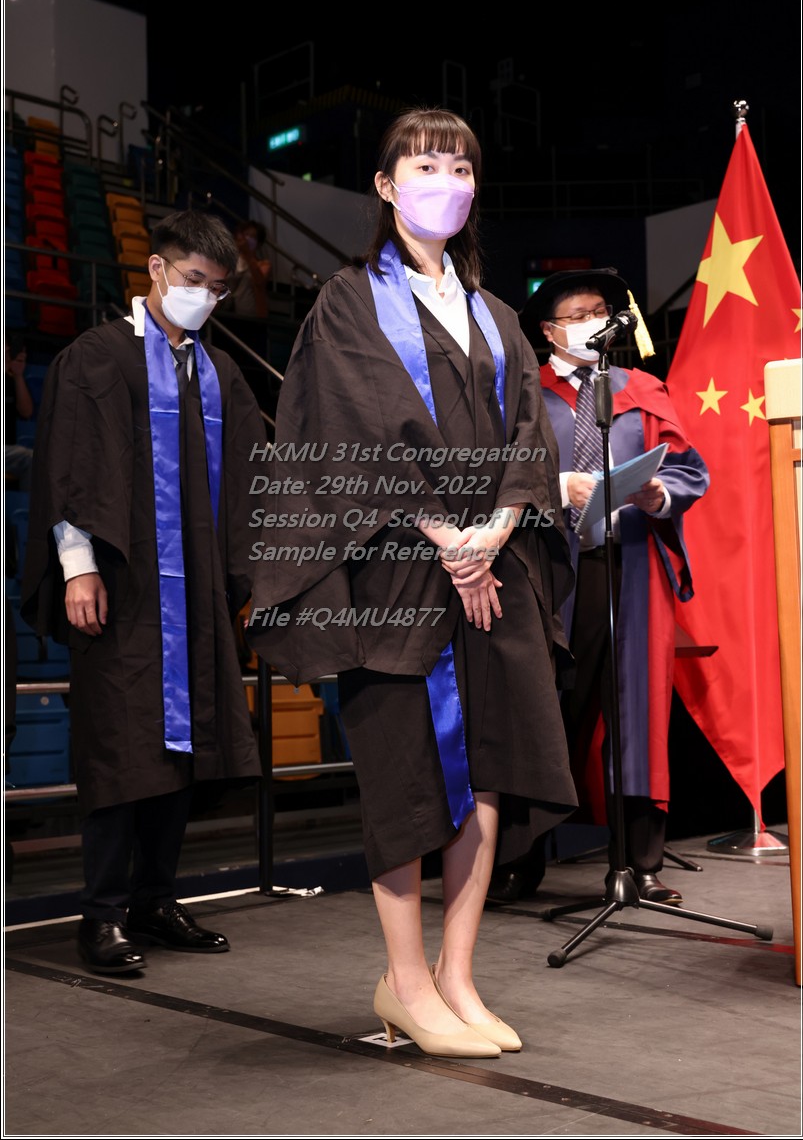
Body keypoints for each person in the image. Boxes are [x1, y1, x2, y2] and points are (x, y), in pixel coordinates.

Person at [246, 107, 578, 1058]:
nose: (448, 182)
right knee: (404, 778)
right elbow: (351, 425)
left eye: (462, 167)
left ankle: (457, 976)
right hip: (391, 570)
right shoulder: (348, 303)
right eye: (427, 165)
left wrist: (495, 531)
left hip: (494, 567)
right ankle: (404, 981)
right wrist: (445, 537)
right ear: (387, 187)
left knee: (489, 767)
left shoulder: (498, 317)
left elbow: (529, 435)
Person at [21, 211, 266, 975]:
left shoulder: (219, 375)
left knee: (182, 757)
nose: (206, 298)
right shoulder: (95, 358)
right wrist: (78, 567)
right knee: (120, 752)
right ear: (156, 268)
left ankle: (156, 900)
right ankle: (100, 915)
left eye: (219, 289)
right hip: (121, 590)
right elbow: (68, 467)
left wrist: (246, 578)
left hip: (197, 599)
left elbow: (250, 480)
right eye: (195, 280)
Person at [487, 269, 709, 906]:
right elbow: (494, 472)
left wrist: (660, 493)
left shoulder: (640, 388)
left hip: (631, 564)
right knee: (549, 709)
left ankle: (641, 862)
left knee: (638, 711)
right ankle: (521, 859)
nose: (593, 323)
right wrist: (558, 487)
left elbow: (687, 468)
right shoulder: (522, 391)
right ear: (549, 330)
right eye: (578, 315)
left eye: (601, 312)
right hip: (554, 571)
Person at [220, 219, 271, 319]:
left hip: (250, 315)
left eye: (252, 236)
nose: (247, 239)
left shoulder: (263, 264)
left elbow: (259, 282)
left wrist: (248, 254)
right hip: (226, 312)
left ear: (259, 243)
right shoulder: (230, 260)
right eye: (246, 234)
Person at [5, 331, 35, 491]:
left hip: (7, 451)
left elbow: (26, 412)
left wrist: (18, 376)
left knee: (32, 457)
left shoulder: (11, 381)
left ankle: (26, 505)